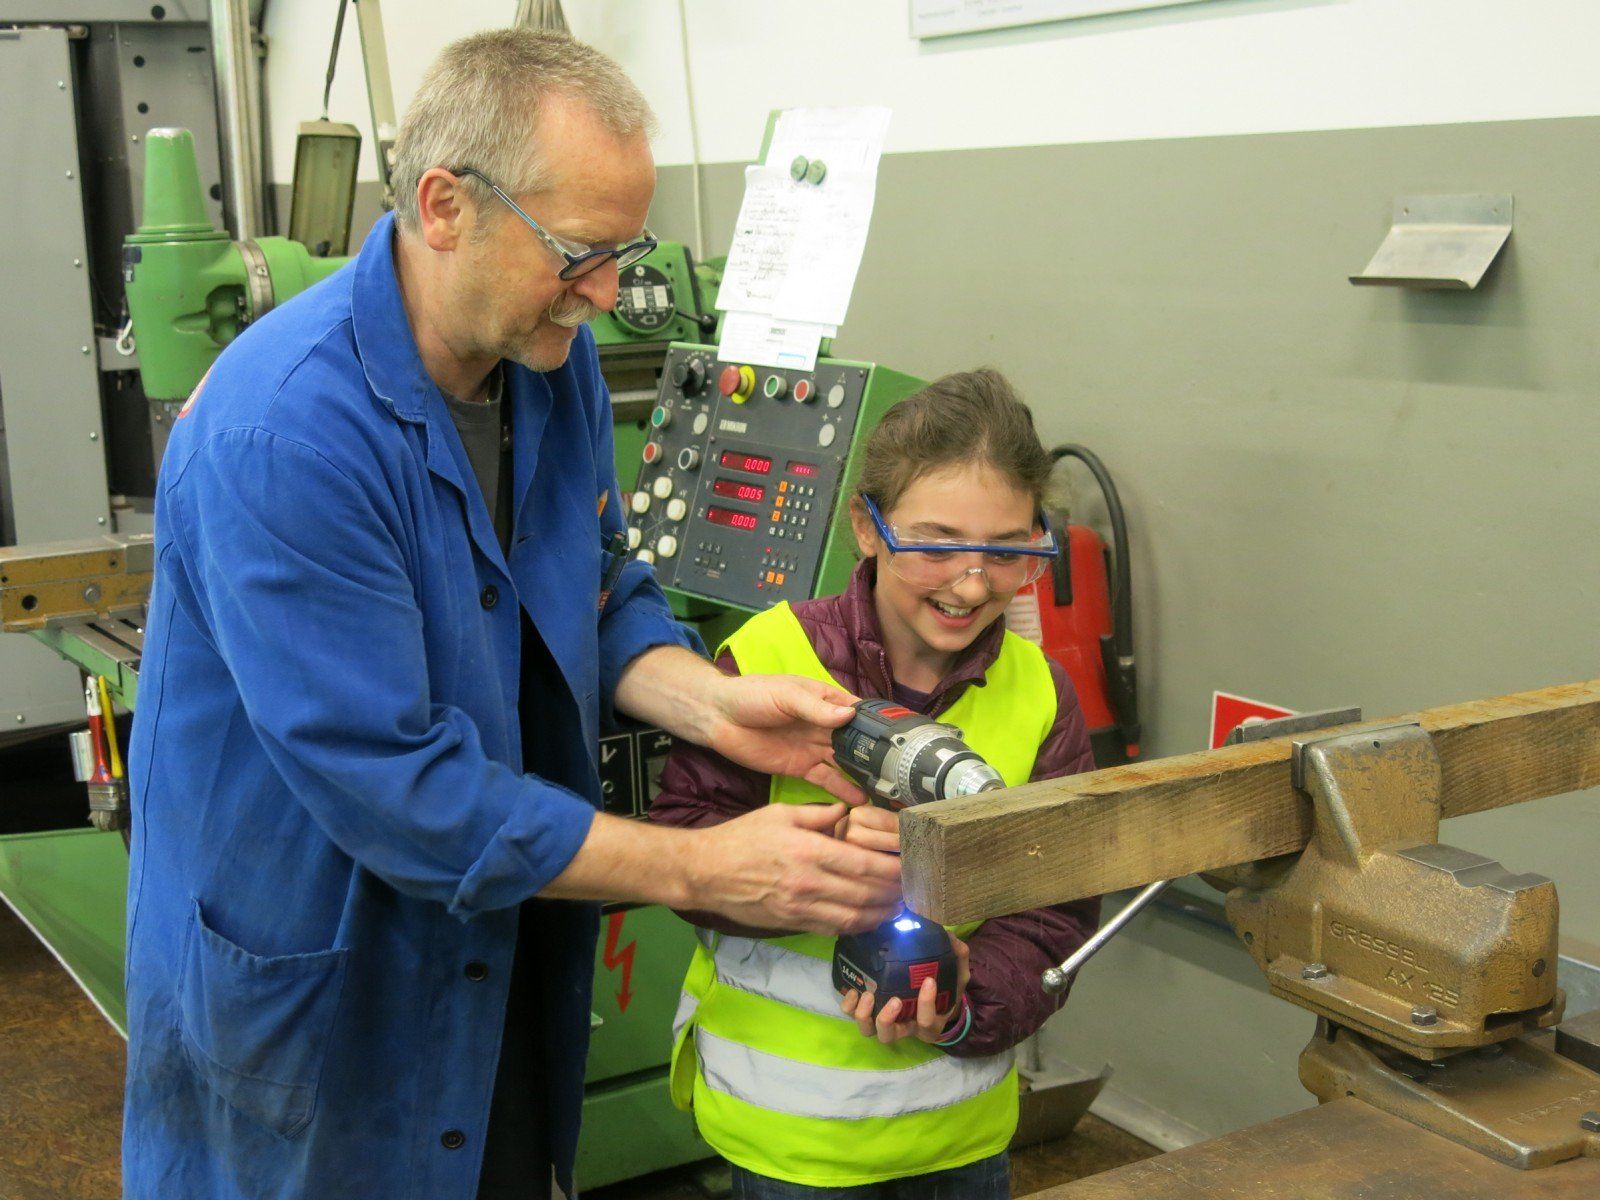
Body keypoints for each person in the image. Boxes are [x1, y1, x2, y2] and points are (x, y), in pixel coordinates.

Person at [122, 29, 900, 1200]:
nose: (606, 296)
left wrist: (714, 706)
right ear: (447, 207)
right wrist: (699, 869)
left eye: (625, 255)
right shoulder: (284, 432)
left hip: (494, 949)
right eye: (579, 254)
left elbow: (596, 583)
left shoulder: (546, 361)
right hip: (324, 975)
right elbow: (397, 789)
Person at [652, 369, 1103, 1199]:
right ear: (867, 526)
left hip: (957, 1130)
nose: (972, 584)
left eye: (1007, 551)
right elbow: (685, 848)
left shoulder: (1041, 692)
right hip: (788, 1132)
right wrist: (827, 868)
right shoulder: (769, 658)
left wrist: (967, 994)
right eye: (935, 545)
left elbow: (1057, 909)